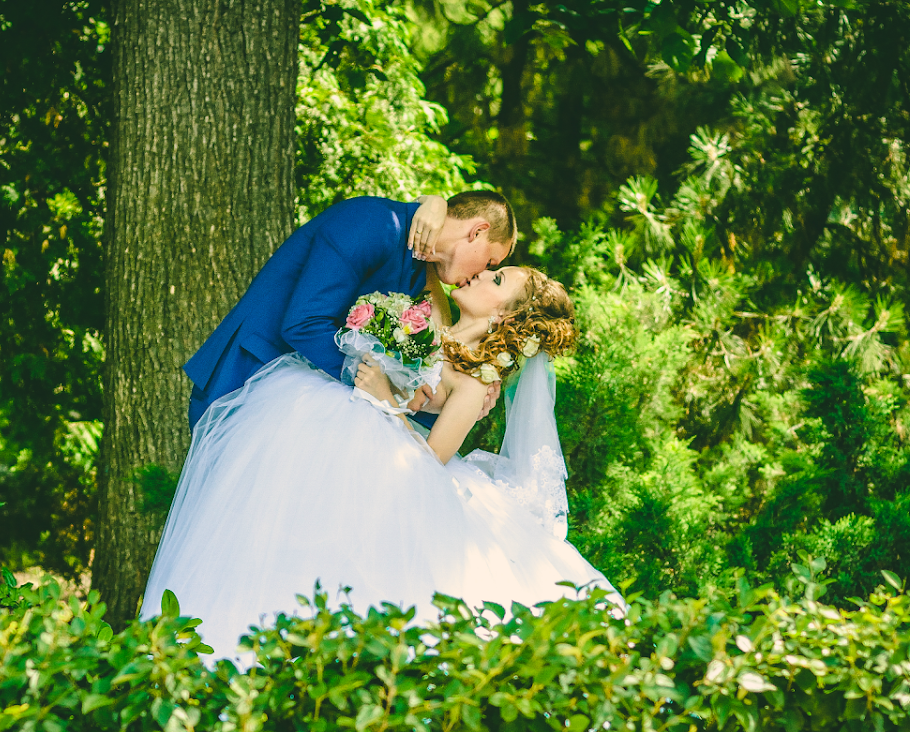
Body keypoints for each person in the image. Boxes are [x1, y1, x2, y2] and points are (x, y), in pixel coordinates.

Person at [140, 264, 617, 656]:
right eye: (494, 268)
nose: (482, 273)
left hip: (393, 465)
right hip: (331, 424)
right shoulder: (431, 316)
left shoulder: (475, 384)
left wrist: (387, 398)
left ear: (506, 319)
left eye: (497, 281)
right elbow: (431, 261)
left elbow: (435, 458)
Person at [183, 191, 517, 427]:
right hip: (246, 380)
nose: (481, 273)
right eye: (490, 261)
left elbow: (403, 377)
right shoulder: (373, 222)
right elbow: (304, 323)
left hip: (307, 410)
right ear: (477, 231)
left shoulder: (421, 275)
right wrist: (380, 381)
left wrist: (455, 403)